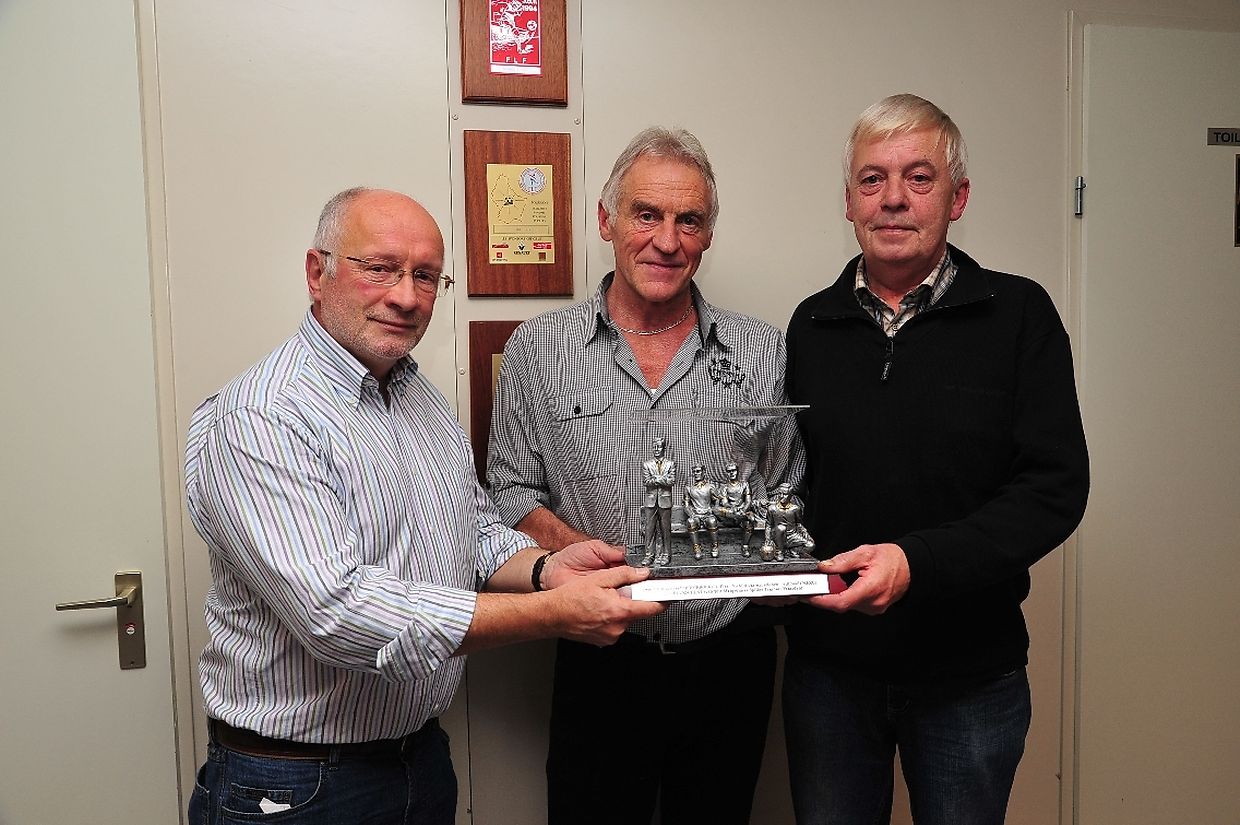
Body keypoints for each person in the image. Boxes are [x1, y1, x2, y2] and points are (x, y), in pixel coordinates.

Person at [183, 187, 662, 825]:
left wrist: (548, 569)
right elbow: (337, 611)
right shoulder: (262, 417)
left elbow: (475, 531)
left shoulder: (422, 400)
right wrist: (551, 613)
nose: (407, 297)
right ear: (317, 273)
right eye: (380, 268)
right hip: (296, 785)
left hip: (419, 762)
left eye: (426, 276)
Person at [783, 94, 1089, 825]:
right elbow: (788, 485)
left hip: (970, 677)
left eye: (919, 178)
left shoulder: (1020, 315)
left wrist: (916, 562)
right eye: (872, 179)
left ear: (959, 198)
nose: (893, 198)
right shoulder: (811, 324)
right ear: (849, 202)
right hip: (830, 673)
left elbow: (1053, 489)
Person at [487, 127, 806, 825]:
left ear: (708, 234)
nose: (667, 240)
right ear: (606, 220)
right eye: (646, 214)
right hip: (600, 650)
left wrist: (775, 561)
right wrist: (585, 555)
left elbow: (784, 489)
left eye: (688, 219)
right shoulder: (538, 349)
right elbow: (508, 491)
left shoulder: (763, 349)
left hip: (729, 653)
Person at [641, 437, 676, 564]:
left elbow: (672, 481)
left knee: (665, 529)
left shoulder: (670, 464)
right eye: (654, 446)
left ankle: (666, 554)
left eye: (659, 447)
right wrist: (662, 479)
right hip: (650, 501)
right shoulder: (646, 464)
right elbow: (646, 481)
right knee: (649, 529)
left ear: (664, 448)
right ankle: (649, 555)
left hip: (665, 501)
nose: (656, 449)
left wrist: (656, 478)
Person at [683, 463, 720, 560]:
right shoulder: (689, 488)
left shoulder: (710, 487)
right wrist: (691, 514)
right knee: (690, 522)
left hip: (708, 514)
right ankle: (697, 548)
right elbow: (686, 505)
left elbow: (717, 500)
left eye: (698, 471)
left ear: (704, 472)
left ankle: (715, 545)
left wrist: (714, 509)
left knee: (712, 521)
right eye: (694, 472)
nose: (696, 473)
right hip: (696, 515)